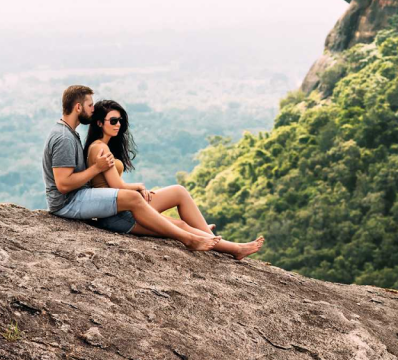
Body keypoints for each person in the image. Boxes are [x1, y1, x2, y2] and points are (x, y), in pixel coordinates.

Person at [43, 85, 222, 252]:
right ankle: (189, 238)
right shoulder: (64, 138)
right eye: (90, 105)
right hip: (67, 203)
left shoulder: (70, 134)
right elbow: (63, 185)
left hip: (79, 197)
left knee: (176, 192)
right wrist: (97, 168)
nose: (93, 109)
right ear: (78, 107)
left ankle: (206, 235)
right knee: (136, 199)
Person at [83, 99, 264, 260]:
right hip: (117, 216)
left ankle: (206, 234)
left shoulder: (101, 146)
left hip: (126, 206)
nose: (118, 125)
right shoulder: (100, 149)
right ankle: (234, 248)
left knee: (179, 191)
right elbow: (117, 186)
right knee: (180, 225)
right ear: (99, 123)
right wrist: (138, 186)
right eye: (113, 121)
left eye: (120, 120)